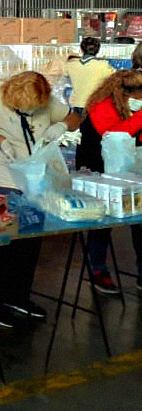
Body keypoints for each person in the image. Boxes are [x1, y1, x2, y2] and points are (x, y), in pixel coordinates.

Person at [0, 71, 80, 328]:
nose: (31, 113)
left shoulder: (45, 100)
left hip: (33, 183)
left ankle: (18, 297)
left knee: (30, 243)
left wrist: (62, 125)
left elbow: (76, 115)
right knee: (2, 243)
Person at [77, 70, 142, 294]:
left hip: (128, 169)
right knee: (101, 222)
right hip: (98, 170)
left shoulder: (128, 106)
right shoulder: (102, 106)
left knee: (139, 221)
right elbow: (115, 136)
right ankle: (97, 269)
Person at [65, 37, 114, 115]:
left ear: (81, 49)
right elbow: (115, 79)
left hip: (76, 104)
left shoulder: (71, 65)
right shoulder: (103, 65)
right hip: (94, 105)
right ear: (98, 50)